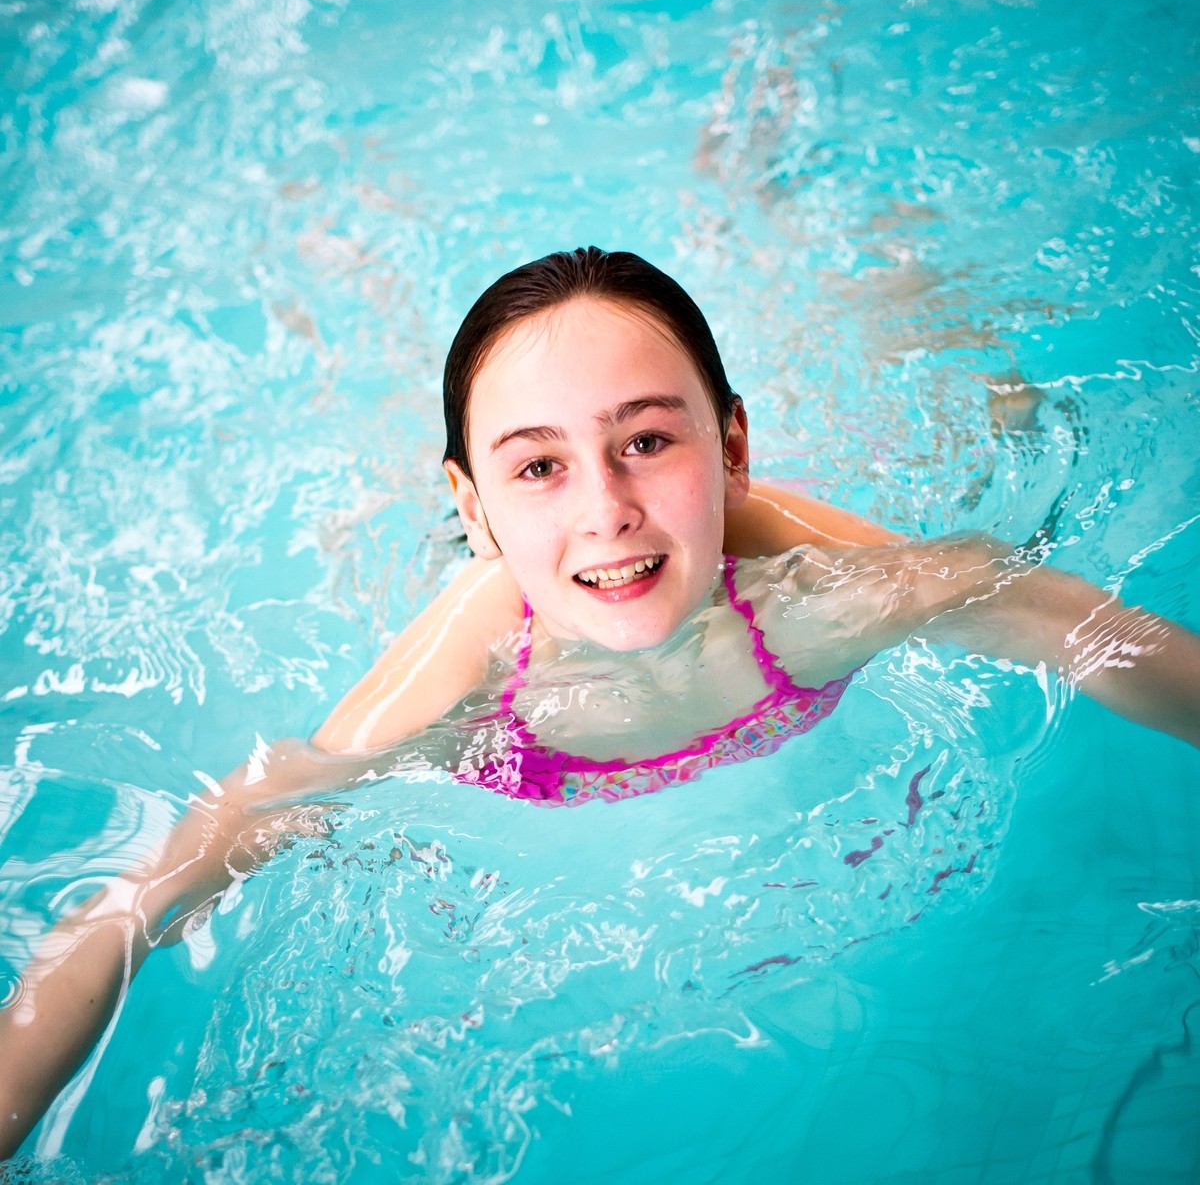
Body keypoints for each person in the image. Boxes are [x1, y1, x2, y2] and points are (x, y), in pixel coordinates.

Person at [1, 247, 1197, 1162]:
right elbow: (178, 866)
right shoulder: (456, 675)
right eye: (538, 466)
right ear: (471, 505)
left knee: (1014, 438)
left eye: (647, 442)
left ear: (731, 449)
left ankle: (912, 295)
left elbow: (1091, 632)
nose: (606, 509)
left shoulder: (836, 594)